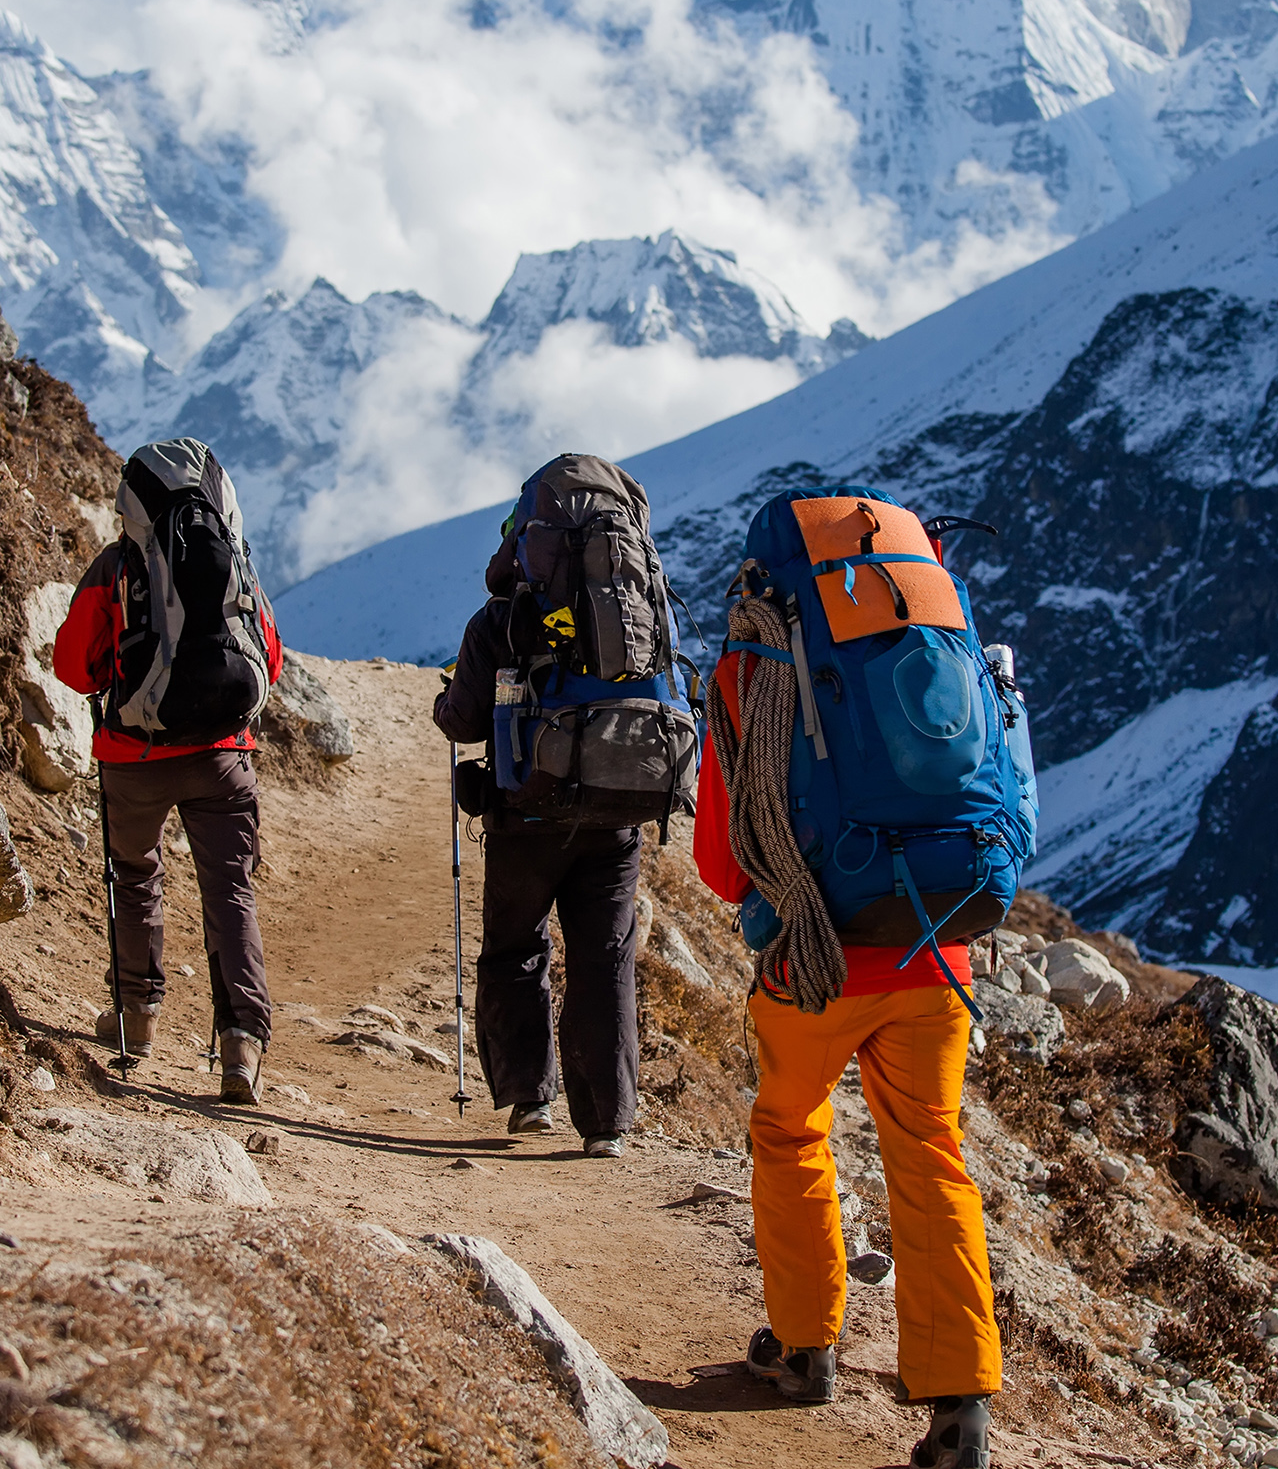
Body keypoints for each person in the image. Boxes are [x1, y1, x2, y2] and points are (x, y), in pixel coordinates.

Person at [695, 502, 1007, 1469]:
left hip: (814, 957)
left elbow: (718, 854)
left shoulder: (754, 664)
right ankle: (960, 1411)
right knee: (931, 1152)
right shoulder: (944, 649)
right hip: (937, 952)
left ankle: (804, 1348)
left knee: (791, 1130)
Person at [429, 453, 694, 1158]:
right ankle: (606, 1123)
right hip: (618, 814)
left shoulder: (500, 619)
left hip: (528, 813)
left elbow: (461, 722)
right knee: (605, 957)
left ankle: (527, 1100)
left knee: (517, 947)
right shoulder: (644, 615)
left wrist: (444, 702)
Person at [53, 439, 285, 1104]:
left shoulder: (114, 567)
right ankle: (242, 1042)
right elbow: (267, 663)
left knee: (135, 877)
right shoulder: (236, 565)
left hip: (134, 759)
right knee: (230, 893)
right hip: (223, 758)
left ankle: (137, 1019)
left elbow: (74, 667)